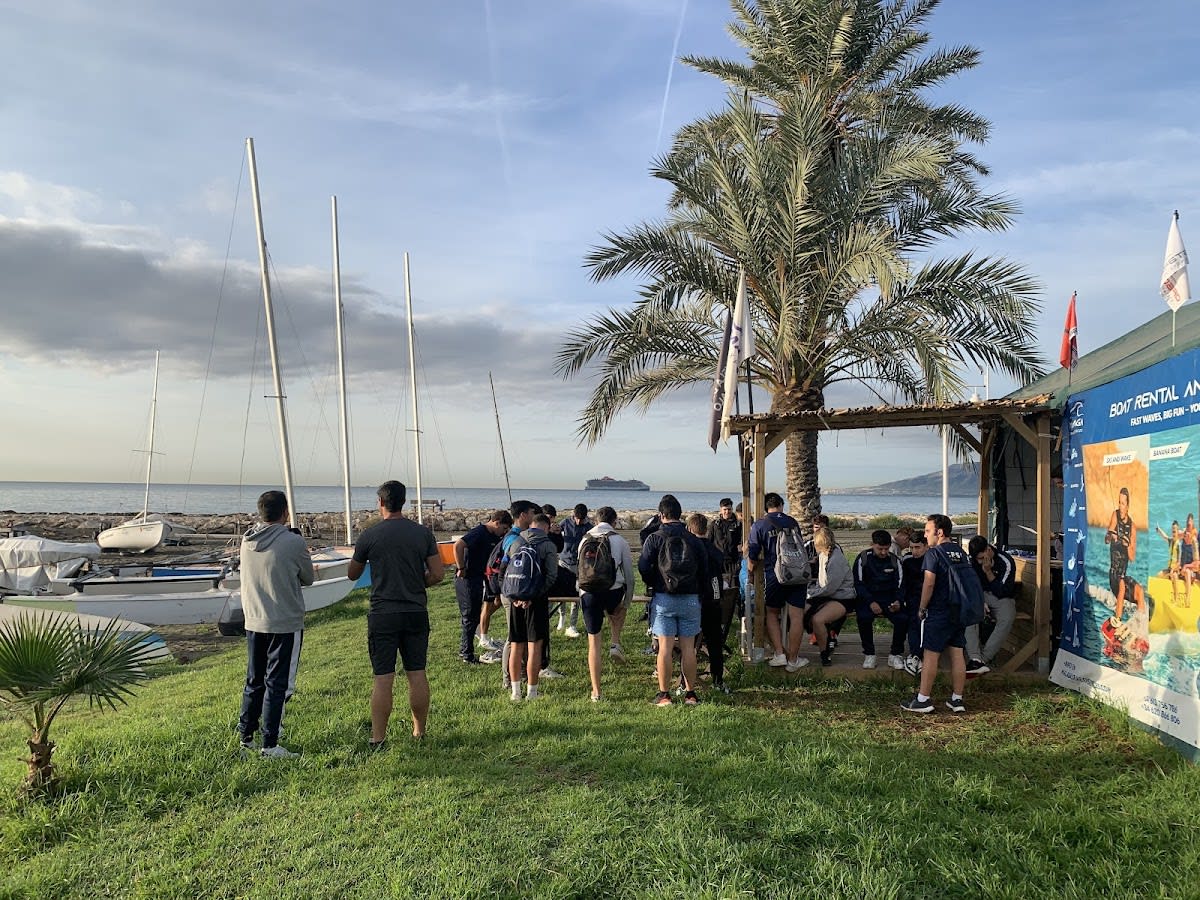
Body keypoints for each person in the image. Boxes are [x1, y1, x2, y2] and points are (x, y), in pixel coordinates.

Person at [347, 480, 444, 749]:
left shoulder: (370, 535)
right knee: (417, 673)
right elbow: (437, 574)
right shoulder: (422, 534)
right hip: (415, 611)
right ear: (403, 501)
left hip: (383, 613)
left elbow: (352, 574)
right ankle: (419, 732)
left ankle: (378, 738)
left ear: (380, 503)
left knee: (383, 677)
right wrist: (415, 581)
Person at [236, 490, 315, 759]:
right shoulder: (293, 542)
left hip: (254, 618)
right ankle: (270, 743)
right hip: (284, 621)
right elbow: (308, 578)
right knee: (277, 683)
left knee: (254, 680)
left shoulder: (246, 541)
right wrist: (299, 543)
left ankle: (246, 738)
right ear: (285, 513)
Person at [638, 495, 708, 706]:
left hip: (664, 598)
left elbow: (643, 567)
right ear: (680, 514)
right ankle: (690, 694)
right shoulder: (694, 540)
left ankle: (664, 695)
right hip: (690, 599)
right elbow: (704, 571)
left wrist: (656, 582)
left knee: (665, 648)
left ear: (661, 515)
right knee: (689, 648)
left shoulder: (654, 538)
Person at [902, 514, 970, 714]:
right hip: (959, 609)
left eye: (927, 530)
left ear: (939, 532)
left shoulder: (933, 553)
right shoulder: (960, 552)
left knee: (931, 654)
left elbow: (929, 583)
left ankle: (923, 699)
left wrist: (922, 608)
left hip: (939, 610)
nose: (925, 534)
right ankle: (957, 699)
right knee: (957, 653)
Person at [578, 506, 633, 701]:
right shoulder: (619, 541)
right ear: (615, 521)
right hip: (612, 592)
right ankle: (615, 642)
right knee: (618, 610)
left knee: (593, 642)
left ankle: (596, 692)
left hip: (589, 593)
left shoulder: (584, 539)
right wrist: (626, 603)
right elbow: (629, 577)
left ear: (595, 521)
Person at [747, 493, 807, 669]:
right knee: (797, 617)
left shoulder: (760, 524)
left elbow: (752, 555)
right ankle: (794, 660)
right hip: (797, 574)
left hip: (775, 575)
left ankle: (780, 654)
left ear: (766, 507)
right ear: (781, 504)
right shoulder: (792, 522)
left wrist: (750, 573)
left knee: (771, 613)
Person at [506, 512, 559, 701]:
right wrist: (533, 595)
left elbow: (506, 571)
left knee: (516, 645)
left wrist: (514, 597)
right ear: (546, 526)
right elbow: (552, 576)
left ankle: (515, 692)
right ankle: (532, 692)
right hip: (536, 601)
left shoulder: (516, 541)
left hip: (515, 600)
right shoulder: (547, 545)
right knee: (534, 647)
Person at [452, 509, 512, 664]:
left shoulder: (494, 536)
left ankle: (466, 649)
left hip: (480, 576)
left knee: (474, 613)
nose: (503, 533)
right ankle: (467, 654)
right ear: (496, 522)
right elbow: (458, 545)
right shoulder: (479, 532)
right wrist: (461, 567)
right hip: (467, 577)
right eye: (504, 529)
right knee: (470, 615)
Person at [687, 512, 731, 693]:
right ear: (706, 529)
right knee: (715, 643)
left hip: (694, 599)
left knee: (687, 643)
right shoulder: (715, 551)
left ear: (690, 529)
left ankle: (686, 681)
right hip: (713, 599)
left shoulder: (690, 549)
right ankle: (717, 679)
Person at [852, 529, 908, 670]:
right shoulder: (862, 559)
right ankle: (869, 654)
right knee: (863, 618)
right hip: (867, 599)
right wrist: (871, 602)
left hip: (889, 599)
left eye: (886, 549)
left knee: (903, 618)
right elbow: (858, 584)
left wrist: (898, 601)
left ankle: (895, 654)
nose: (883, 552)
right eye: (880, 549)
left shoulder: (895, 561)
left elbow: (901, 585)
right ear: (872, 544)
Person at [964, 535, 1017, 675]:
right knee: (969, 613)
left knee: (1007, 617)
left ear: (988, 550)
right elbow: (970, 585)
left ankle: (983, 659)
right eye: (977, 559)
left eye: (982, 558)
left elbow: (1003, 591)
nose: (979, 562)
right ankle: (975, 657)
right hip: (980, 595)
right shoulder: (972, 561)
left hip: (1000, 596)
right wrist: (979, 601)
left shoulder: (1005, 561)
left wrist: (988, 571)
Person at [804, 526, 857, 667]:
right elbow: (822, 584)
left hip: (842, 597)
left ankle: (824, 653)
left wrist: (811, 594)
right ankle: (821, 639)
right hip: (826, 594)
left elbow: (830, 588)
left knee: (818, 619)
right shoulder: (822, 556)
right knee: (800, 611)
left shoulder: (836, 559)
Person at [706, 497, 743, 660]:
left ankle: (733, 621)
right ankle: (718, 619)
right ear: (720, 510)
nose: (727, 512)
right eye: (724, 509)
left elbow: (741, 543)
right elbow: (709, 542)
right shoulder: (715, 525)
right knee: (717, 592)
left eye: (729, 509)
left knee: (734, 594)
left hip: (732, 563)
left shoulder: (737, 524)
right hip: (717, 563)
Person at [1106, 487, 1144, 622]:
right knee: (1122, 585)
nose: (1120, 506)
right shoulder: (1114, 515)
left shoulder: (1132, 526)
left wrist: (1127, 545)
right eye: (1119, 502)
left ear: (1127, 506)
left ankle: (1140, 625)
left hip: (1123, 572)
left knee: (1140, 592)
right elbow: (1107, 538)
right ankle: (1118, 620)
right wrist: (1112, 536)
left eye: (1123, 503)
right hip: (1114, 575)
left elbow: (1132, 557)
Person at [557, 503, 593, 636]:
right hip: (563, 561)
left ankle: (572, 625)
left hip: (579, 565)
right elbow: (554, 533)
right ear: (573, 514)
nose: (578, 521)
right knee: (561, 593)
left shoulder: (589, 527)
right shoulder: (565, 522)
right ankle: (562, 616)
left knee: (576, 594)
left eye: (581, 519)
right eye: (577, 518)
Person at [899, 531, 929, 674]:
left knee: (923, 622)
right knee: (913, 620)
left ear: (926, 546)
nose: (914, 551)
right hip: (912, 598)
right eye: (911, 548)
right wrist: (901, 599)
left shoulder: (932, 559)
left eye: (917, 547)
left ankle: (921, 654)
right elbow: (902, 582)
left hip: (930, 598)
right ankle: (916, 654)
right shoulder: (907, 560)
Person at [1154, 520, 1189, 608]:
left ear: (1178, 532)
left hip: (1176, 569)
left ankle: (1176, 598)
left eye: (1175, 530)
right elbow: (1164, 536)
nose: (1173, 532)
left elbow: (1179, 562)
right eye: (1172, 530)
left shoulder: (1179, 545)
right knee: (1158, 575)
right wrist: (1159, 530)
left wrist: (1173, 570)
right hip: (1169, 568)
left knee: (1174, 576)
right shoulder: (1171, 541)